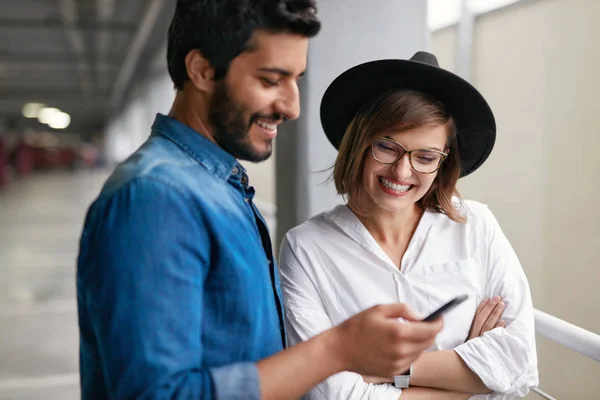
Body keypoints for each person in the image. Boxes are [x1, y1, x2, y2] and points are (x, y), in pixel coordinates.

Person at [76, 2, 444, 399]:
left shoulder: (220, 185)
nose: (292, 107)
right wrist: (338, 349)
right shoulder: (155, 199)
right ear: (201, 69)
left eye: (296, 80)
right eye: (271, 81)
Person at [279, 52, 539, 399]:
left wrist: (383, 368)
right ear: (359, 144)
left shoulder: (475, 226)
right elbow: (330, 393)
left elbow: (519, 364)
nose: (402, 172)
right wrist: (466, 381)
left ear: (443, 163)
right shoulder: (306, 247)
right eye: (388, 147)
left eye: (426, 157)